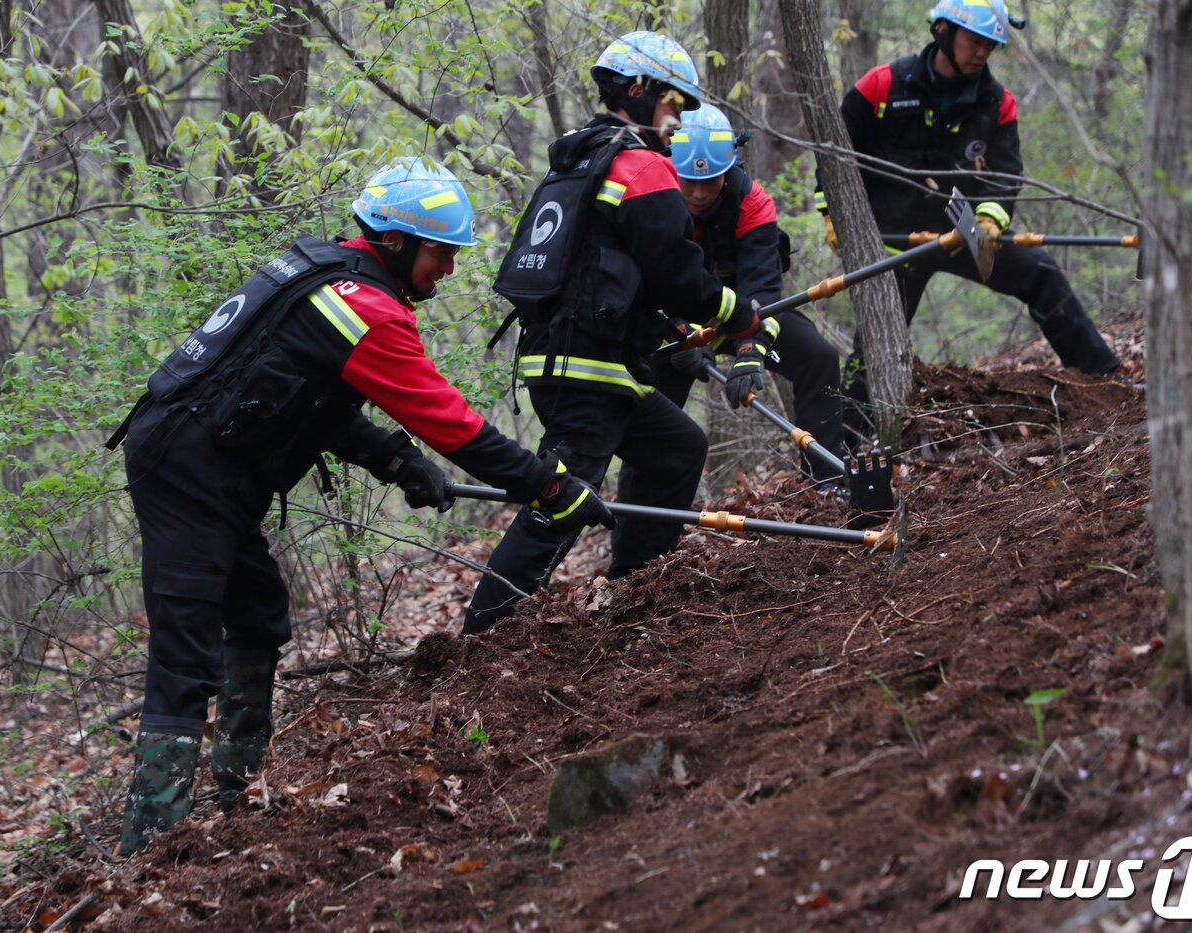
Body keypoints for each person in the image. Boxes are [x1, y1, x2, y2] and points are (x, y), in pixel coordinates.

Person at [107, 158, 612, 854]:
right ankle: (150, 846)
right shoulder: (363, 308)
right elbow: (456, 426)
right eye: (441, 253)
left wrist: (396, 460)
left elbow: (305, 402)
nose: (449, 269)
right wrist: (550, 486)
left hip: (206, 465)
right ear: (396, 241)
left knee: (258, 615)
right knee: (184, 658)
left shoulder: (329, 276)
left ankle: (238, 795)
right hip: (184, 471)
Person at [464, 32, 762, 635]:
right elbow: (677, 274)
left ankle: (635, 586)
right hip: (586, 370)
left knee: (677, 448)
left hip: (580, 362)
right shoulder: (641, 166)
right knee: (561, 503)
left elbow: (618, 268)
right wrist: (736, 315)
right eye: (675, 103)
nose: (679, 120)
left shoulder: (582, 158)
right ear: (639, 91)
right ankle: (480, 638)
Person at [818, 0, 1120, 423]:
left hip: (963, 235)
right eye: (975, 41)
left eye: (990, 45)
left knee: (1041, 271)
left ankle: (1106, 381)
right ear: (944, 31)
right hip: (895, 244)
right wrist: (833, 215)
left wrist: (990, 220)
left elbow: (1005, 173)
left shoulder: (998, 102)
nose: (982, 53)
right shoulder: (881, 85)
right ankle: (847, 440)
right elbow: (836, 157)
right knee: (876, 342)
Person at [655, 102, 847, 485]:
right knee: (652, 402)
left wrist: (751, 348)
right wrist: (680, 333)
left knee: (818, 358)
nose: (698, 193)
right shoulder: (653, 201)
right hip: (673, 326)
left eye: (711, 181)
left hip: (741, 315)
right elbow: (647, 283)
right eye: (689, 181)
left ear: (728, 170)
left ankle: (827, 484)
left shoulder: (752, 201)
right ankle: (636, 510)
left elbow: (763, 287)